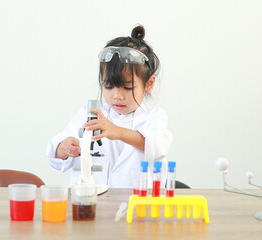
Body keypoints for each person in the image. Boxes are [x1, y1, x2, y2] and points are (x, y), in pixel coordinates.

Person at [46, 25, 172, 188]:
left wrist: (117, 132)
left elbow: (156, 145)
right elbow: (55, 153)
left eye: (127, 88)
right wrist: (63, 148)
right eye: (108, 86)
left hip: (137, 207)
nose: (117, 96)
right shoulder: (90, 113)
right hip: (91, 203)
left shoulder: (154, 117)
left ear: (149, 84)